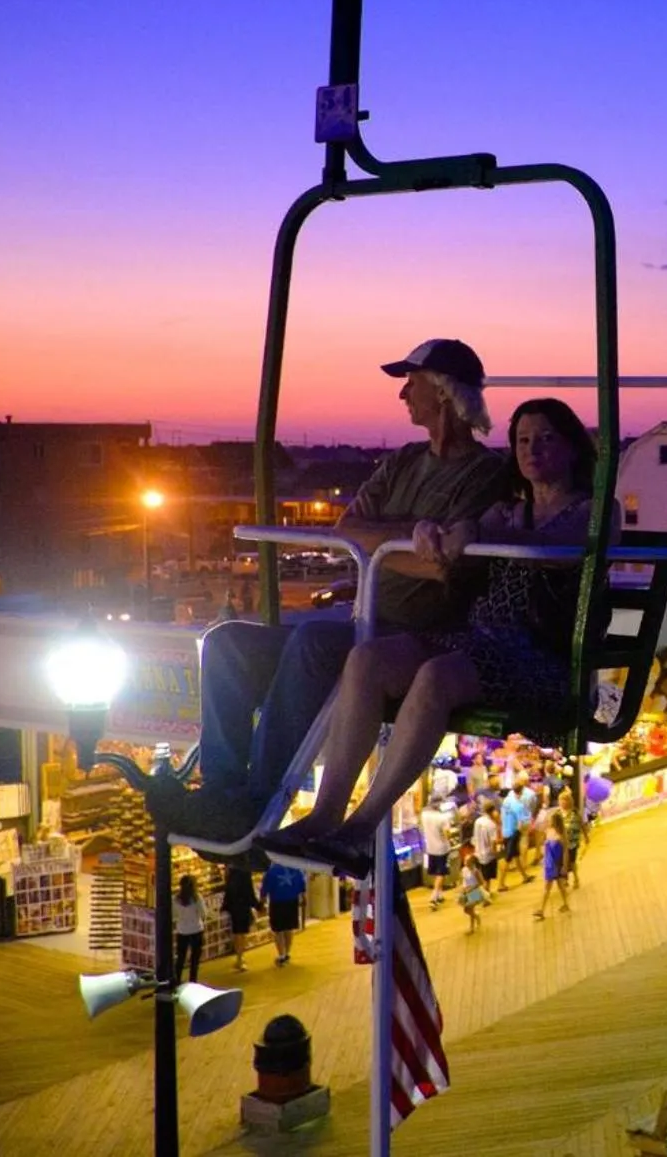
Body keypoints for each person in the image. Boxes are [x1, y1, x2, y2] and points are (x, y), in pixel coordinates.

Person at [156, 339, 512, 841]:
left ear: (442, 391)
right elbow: (347, 529)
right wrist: (409, 534)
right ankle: (222, 791)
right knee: (226, 642)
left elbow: (442, 566)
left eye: (411, 383)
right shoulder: (404, 461)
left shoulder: (487, 474)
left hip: (421, 638)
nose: (402, 395)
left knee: (314, 643)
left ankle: (256, 802)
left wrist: (391, 539)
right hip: (366, 627)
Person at [255, 398, 602, 877]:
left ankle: (360, 831)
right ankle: (326, 813)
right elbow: (467, 534)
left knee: (438, 676)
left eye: (545, 438)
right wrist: (439, 533)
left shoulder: (591, 513)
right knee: (368, 659)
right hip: (478, 638)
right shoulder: (510, 511)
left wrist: (475, 537)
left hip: (534, 654)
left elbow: (554, 550)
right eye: (522, 439)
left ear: (571, 448)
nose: (532, 449)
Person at [262, 862, 306, 965]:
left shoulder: (272, 870)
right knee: (289, 928)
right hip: (292, 901)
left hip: (277, 902)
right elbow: (302, 883)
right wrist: (303, 897)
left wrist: (262, 900)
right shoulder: (296, 867)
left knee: (278, 930)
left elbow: (266, 887)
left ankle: (281, 955)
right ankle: (287, 953)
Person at [533, 808, 572, 920]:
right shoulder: (548, 831)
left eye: (550, 820)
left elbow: (565, 852)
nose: (548, 821)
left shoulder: (561, 835)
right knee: (555, 886)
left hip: (556, 864)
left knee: (552, 887)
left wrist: (564, 866)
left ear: (555, 822)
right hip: (550, 864)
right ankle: (563, 904)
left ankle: (542, 910)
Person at [222, 864, 262, 971]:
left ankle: (239, 957)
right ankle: (240, 957)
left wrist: (226, 906)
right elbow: (249, 892)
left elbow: (228, 892)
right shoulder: (245, 872)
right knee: (242, 933)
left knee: (236, 932)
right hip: (243, 906)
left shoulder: (230, 874)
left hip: (234, 907)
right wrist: (257, 905)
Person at [420, 798, 455, 909]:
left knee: (437, 872)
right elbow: (447, 834)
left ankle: (439, 895)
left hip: (430, 847)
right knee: (441, 873)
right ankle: (433, 897)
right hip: (442, 848)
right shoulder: (442, 818)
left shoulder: (425, 815)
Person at [172, 874, 206, 985]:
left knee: (180, 958)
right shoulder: (197, 898)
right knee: (194, 960)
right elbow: (203, 913)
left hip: (182, 931)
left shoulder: (175, 899)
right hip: (196, 930)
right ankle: (193, 981)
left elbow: (173, 915)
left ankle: (177, 980)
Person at [470, 798, 502, 893]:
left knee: (481, 878)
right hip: (487, 855)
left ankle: (483, 895)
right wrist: (496, 853)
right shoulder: (491, 825)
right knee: (487, 880)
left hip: (478, 852)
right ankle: (482, 897)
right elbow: (493, 843)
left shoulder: (478, 821)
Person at [456, 850, 490, 932]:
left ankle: (472, 927)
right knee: (466, 910)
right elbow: (463, 881)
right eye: (465, 860)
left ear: (471, 862)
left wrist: (472, 888)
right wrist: (462, 889)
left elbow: (481, 882)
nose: (465, 862)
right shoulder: (464, 870)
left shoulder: (475, 871)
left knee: (470, 908)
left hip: (475, 892)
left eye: (467, 861)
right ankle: (476, 916)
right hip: (466, 891)